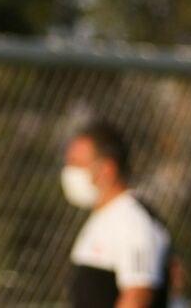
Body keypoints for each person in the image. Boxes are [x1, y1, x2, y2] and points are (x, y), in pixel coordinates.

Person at [63, 121, 172, 308]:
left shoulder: (133, 221)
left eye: (77, 163)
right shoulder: (103, 217)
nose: (69, 172)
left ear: (107, 169)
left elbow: (137, 297)